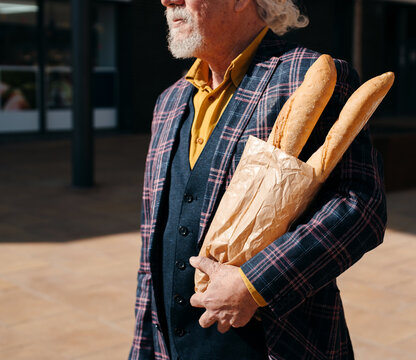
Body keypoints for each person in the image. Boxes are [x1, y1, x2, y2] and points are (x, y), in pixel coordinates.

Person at [129, 0, 387, 359]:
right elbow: (151, 251)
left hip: (276, 346)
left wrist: (254, 284)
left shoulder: (311, 76)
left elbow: (361, 207)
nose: (167, 0)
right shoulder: (169, 102)